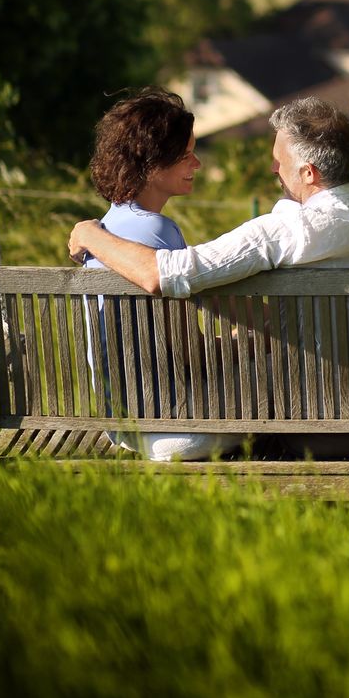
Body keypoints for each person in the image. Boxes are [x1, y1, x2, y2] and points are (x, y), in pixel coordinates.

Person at [70, 97, 349, 458]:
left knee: (280, 363)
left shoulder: (285, 229)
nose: (273, 168)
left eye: (279, 161)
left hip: (316, 428)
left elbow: (162, 274)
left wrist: (88, 233)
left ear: (308, 173)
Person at [81, 88, 241, 462]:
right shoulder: (158, 233)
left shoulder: (102, 230)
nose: (197, 164)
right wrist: (243, 343)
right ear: (151, 164)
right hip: (173, 427)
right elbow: (190, 353)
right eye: (186, 156)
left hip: (121, 422)